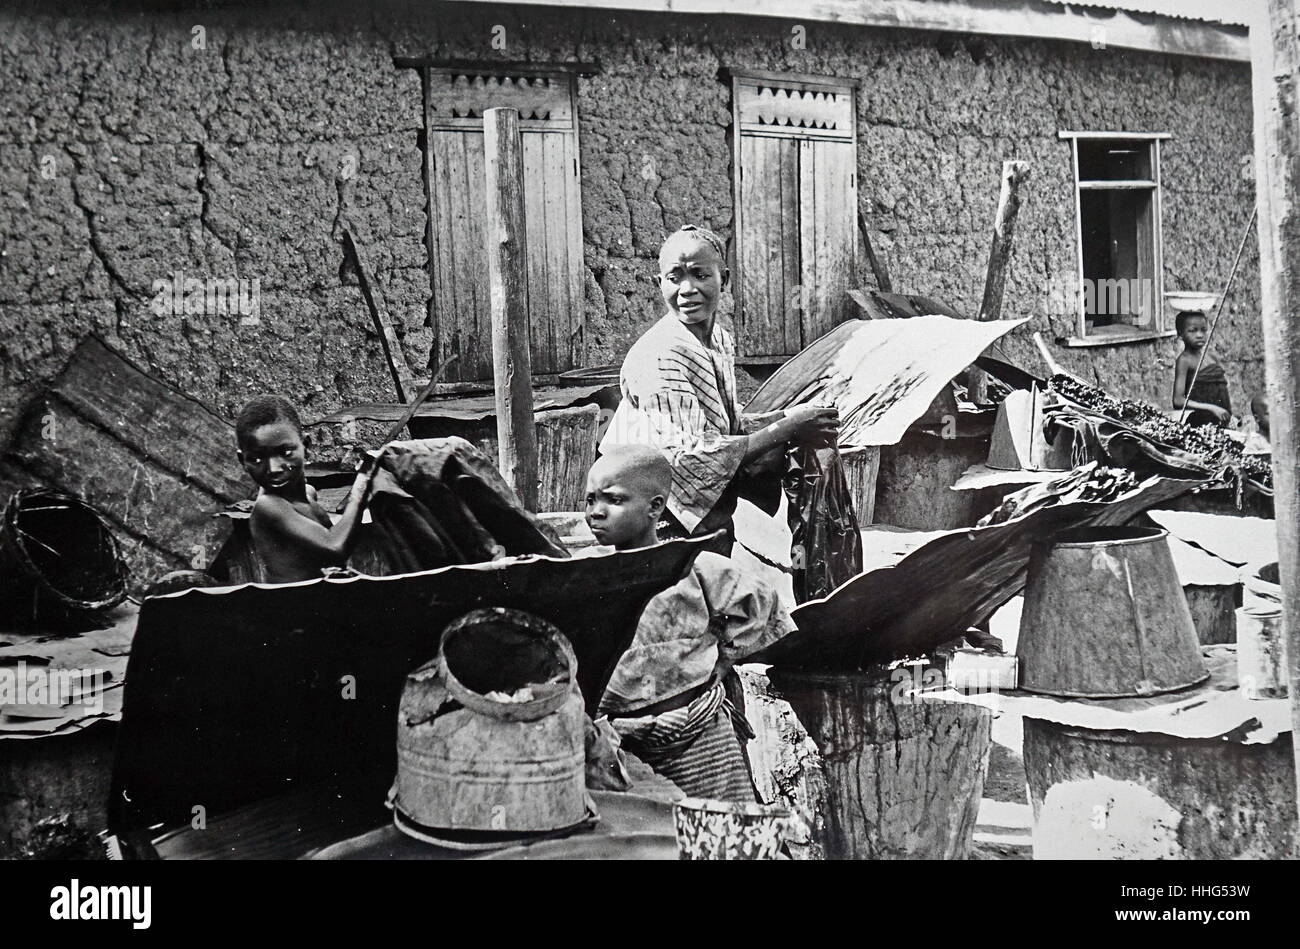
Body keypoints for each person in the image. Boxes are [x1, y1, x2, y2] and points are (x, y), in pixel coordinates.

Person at [599, 224, 839, 547]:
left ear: (724, 279)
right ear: (659, 284)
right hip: (658, 518)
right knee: (681, 593)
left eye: (700, 275)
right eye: (675, 278)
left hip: (705, 510)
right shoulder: (658, 354)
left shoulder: (718, 341)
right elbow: (691, 455)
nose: (687, 289)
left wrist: (791, 416)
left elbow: (726, 426)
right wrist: (788, 427)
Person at [586, 445, 796, 802]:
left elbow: (762, 604)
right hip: (619, 739)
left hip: (697, 732)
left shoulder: (695, 568)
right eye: (590, 501)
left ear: (654, 507)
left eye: (614, 500)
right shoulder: (586, 574)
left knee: (723, 829)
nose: (596, 513)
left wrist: (725, 656)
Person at [235, 395, 374, 583]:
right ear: (242, 460)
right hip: (293, 609)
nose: (274, 469)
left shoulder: (310, 494)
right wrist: (360, 490)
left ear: (306, 446)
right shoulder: (268, 506)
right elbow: (335, 547)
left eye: (285, 452)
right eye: (256, 459)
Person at [1172, 311, 1232, 427]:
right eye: (1193, 330)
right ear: (1180, 334)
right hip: (1200, 420)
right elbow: (1178, 400)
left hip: (1221, 416)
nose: (1200, 335)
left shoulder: (1212, 357)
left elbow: (1221, 389)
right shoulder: (1184, 360)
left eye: (1203, 330)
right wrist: (1212, 408)